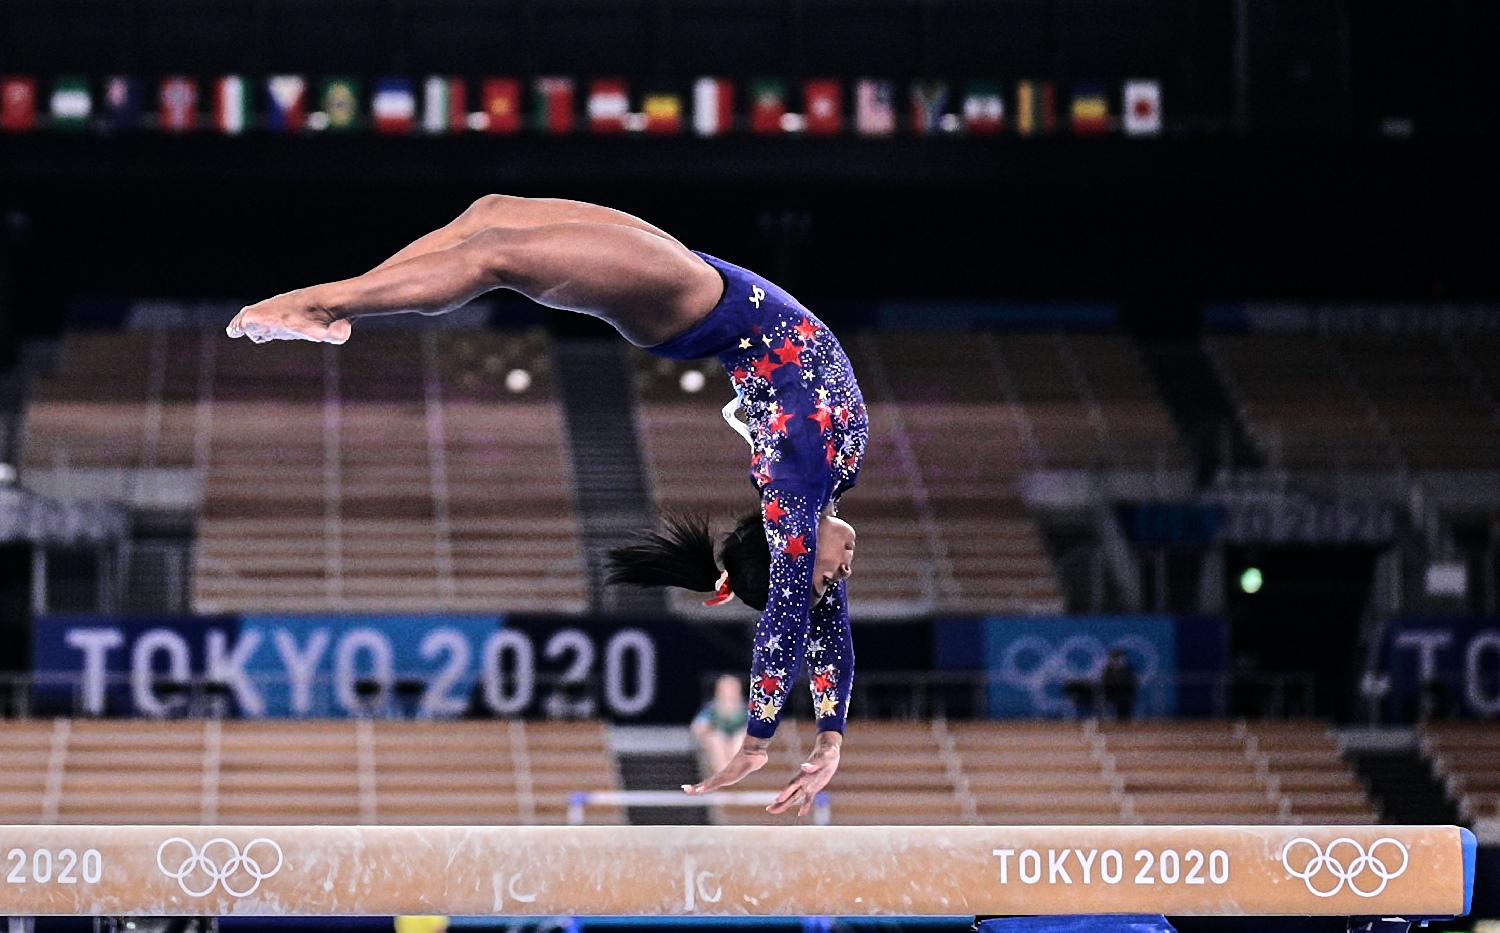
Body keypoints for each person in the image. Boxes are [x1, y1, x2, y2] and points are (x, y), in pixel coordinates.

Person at [226, 195, 867, 817]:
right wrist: (829, 738)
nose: (842, 574)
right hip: (708, 285)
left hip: (692, 303)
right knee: (490, 215)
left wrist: (756, 740)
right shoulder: (823, 490)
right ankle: (345, 304)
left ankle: (326, 304)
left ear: (789, 552)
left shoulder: (796, 489)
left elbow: (791, 617)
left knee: (497, 256)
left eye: (826, 577)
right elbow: (826, 625)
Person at [691, 674, 750, 775]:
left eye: (732, 689)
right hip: (716, 741)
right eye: (725, 689)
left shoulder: (746, 710)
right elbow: (698, 727)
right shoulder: (711, 709)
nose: (729, 693)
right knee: (716, 740)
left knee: (740, 739)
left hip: (738, 741)